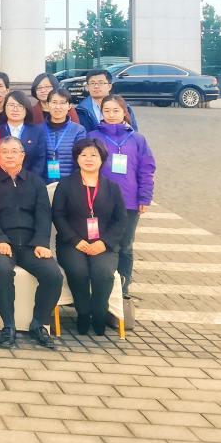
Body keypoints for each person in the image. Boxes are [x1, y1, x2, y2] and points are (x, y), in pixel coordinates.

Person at [0, 137, 62, 349]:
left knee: (53, 275)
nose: (9, 156)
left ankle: (39, 323)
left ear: (23, 155)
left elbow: (44, 215)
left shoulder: (36, 182)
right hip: (0, 242)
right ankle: (8, 325)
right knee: (3, 271)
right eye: (4, 152)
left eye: (14, 151)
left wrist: (41, 243)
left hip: (31, 244)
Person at [52, 138, 128, 336]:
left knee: (103, 272)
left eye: (93, 155)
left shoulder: (112, 187)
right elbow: (58, 216)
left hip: (104, 244)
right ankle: (83, 312)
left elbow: (121, 220)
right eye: (83, 155)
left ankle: (100, 312)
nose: (88, 159)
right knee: (78, 271)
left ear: (102, 159)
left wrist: (105, 242)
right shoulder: (66, 185)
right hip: (72, 243)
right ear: (76, 158)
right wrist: (76, 241)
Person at [88, 95, 156, 299]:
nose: (111, 114)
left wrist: (145, 197)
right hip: (99, 200)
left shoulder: (138, 139)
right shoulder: (93, 137)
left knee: (125, 245)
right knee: (100, 243)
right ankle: (101, 284)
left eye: (115, 110)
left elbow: (146, 170)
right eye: (106, 110)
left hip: (129, 201)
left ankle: (123, 288)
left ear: (124, 112)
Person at [0, 90, 47, 179]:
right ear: (4, 108)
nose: (15, 109)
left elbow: (39, 160)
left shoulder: (37, 131)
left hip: (29, 181)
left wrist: (27, 180)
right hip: (1, 180)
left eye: (20, 106)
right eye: (11, 105)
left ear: (27, 109)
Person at [43, 89, 87, 183]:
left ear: (69, 106)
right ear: (47, 105)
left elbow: (81, 159)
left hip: (70, 184)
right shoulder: (39, 129)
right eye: (54, 102)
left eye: (62, 103)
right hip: (43, 184)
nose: (58, 107)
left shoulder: (78, 130)